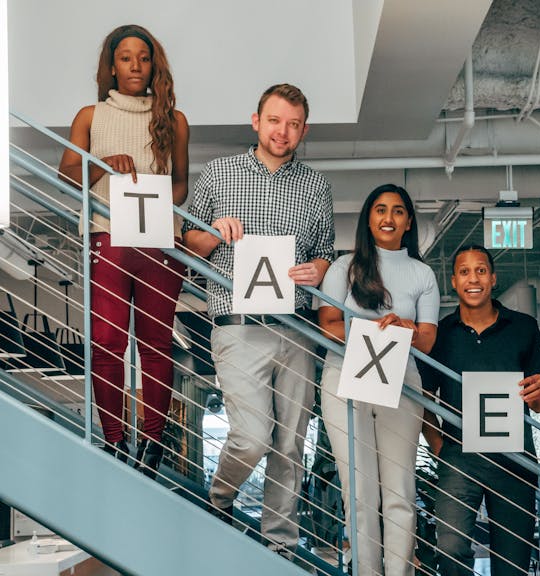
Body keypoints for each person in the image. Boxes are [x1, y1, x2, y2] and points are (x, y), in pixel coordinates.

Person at [183, 83, 334, 556]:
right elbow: (187, 243)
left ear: (303, 130)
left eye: (293, 124)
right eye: (274, 120)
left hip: (296, 328)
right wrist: (213, 233)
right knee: (251, 438)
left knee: (289, 446)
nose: (282, 131)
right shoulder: (219, 173)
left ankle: (280, 547)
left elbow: (326, 252)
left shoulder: (315, 185)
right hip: (239, 325)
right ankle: (221, 499)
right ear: (256, 121)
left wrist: (322, 268)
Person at [58, 24, 189, 478]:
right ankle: (115, 440)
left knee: (155, 345)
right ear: (112, 66)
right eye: (126, 57)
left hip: (158, 243)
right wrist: (102, 165)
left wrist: (153, 201)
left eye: (144, 57)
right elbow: (67, 175)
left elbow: (180, 186)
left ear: (155, 65)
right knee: (108, 342)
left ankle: (151, 444)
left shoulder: (174, 120)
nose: (136, 65)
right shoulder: (90, 116)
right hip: (107, 237)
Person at [319, 184, 440, 576]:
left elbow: (427, 338)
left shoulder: (422, 273)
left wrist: (404, 327)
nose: (389, 218)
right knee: (359, 490)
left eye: (398, 211)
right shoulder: (343, 267)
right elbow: (327, 327)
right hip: (345, 376)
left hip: (402, 378)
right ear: (368, 219)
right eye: (380, 210)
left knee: (400, 492)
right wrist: (370, 326)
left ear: (408, 222)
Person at [420, 244, 540, 576]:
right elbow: (422, 398)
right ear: (453, 281)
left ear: (493, 278)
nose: (473, 278)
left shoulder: (523, 327)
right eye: (464, 272)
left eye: (480, 270)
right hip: (459, 458)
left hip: (514, 459)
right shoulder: (441, 334)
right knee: (449, 549)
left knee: (512, 562)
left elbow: (539, 402)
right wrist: (440, 448)